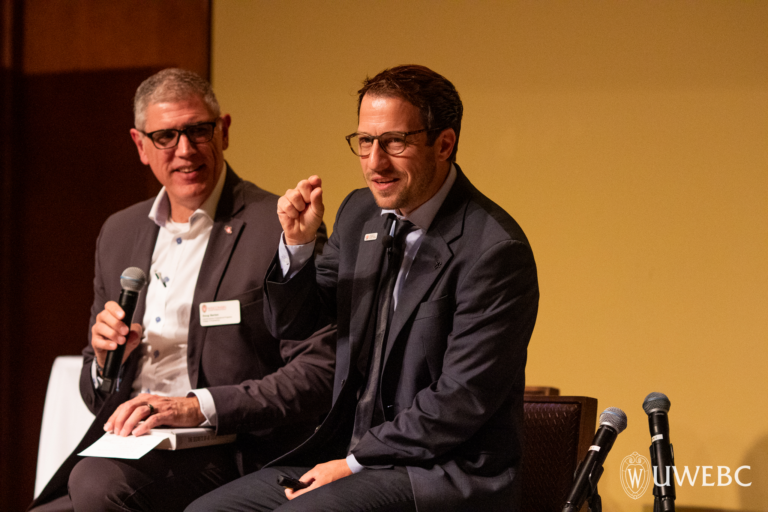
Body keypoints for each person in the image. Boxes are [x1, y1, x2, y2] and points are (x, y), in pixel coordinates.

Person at [186, 64, 539, 512]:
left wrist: (354, 462)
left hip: (440, 473)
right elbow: (296, 322)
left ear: (444, 143)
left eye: (395, 142)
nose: (375, 163)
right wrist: (297, 247)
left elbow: (460, 399)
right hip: (347, 456)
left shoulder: (493, 250)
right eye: (366, 142)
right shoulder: (359, 214)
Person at [29, 68, 336, 512]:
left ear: (224, 131)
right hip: (133, 447)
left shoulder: (278, 225)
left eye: (198, 131)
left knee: (97, 483)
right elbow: (99, 392)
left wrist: (198, 407)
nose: (185, 151)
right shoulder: (119, 231)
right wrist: (102, 362)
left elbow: (317, 373)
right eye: (166, 137)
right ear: (140, 145)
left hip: (237, 446)